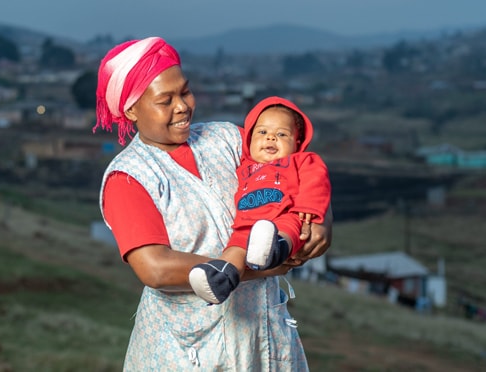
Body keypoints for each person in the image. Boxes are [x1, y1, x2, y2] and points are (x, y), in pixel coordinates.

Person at [95, 36, 332, 371]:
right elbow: (156, 269)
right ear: (131, 109)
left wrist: (322, 218)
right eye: (165, 100)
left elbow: (294, 169)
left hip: (263, 339)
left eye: (185, 91)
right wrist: (255, 267)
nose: (182, 106)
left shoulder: (226, 138)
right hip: (188, 352)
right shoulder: (129, 177)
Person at [189, 96, 331, 304]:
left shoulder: (301, 160)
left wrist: (309, 209)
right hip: (246, 224)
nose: (271, 138)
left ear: (297, 142)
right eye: (262, 132)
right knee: (234, 250)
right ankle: (218, 279)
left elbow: (317, 182)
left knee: (289, 231)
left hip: (284, 214)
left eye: (281, 134)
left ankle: (275, 249)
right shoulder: (243, 165)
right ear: (250, 139)